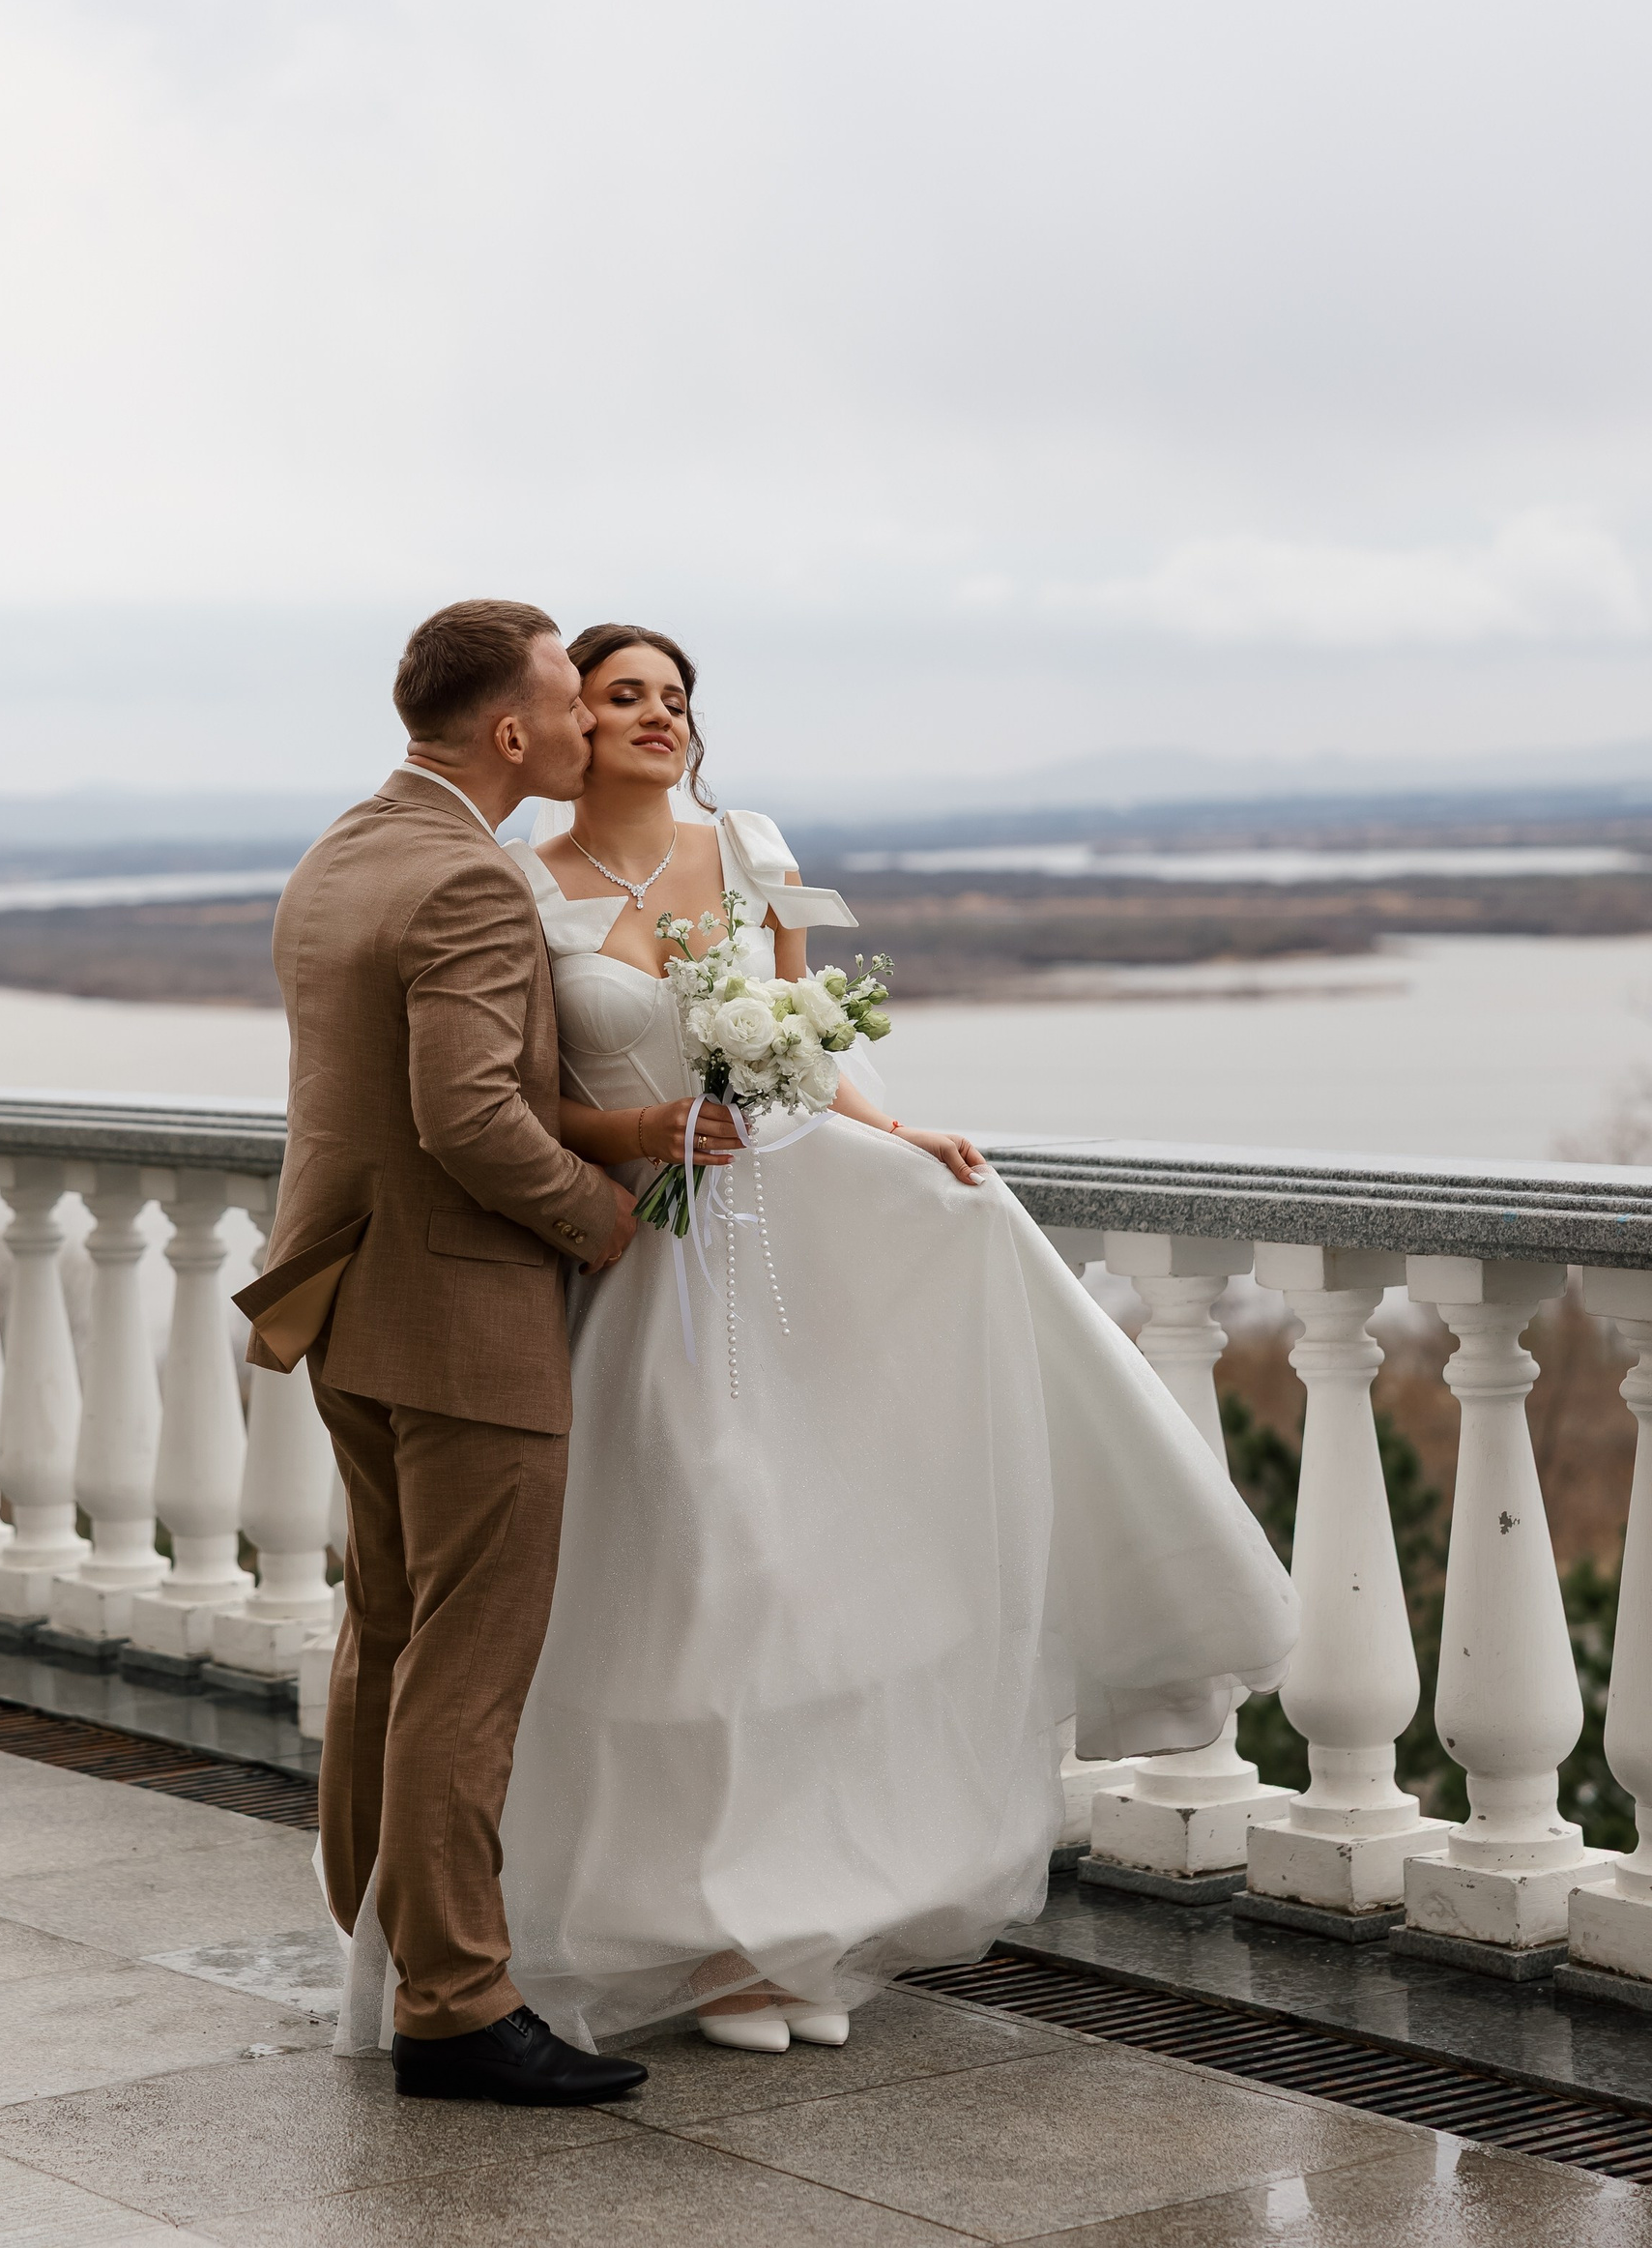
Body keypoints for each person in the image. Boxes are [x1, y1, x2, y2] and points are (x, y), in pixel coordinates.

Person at [483, 622, 1300, 2054]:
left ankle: (802, 1922)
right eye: (625, 696)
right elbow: (518, 1095)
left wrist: (902, 1134)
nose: (661, 716)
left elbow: (813, 1039)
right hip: (657, 1254)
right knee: (706, 1580)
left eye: (677, 697)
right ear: (573, 724)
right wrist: (640, 1128)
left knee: (822, 1590)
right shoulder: (523, 885)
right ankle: (706, 1941)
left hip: (808, 1236)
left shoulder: (755, 846)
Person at [235, 599, 652, 2107]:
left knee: (389, 1633)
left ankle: (379, 1946)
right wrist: (601, 1218)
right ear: (512, 732)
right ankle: (460, 2005)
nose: (591, 723)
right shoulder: (473, 878)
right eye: (571, 703)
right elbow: (468, 1114)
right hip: (464, 1313)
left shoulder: (342, 849)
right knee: (468, 1664)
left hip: (344, 1298)